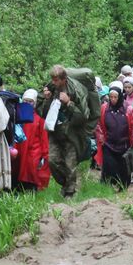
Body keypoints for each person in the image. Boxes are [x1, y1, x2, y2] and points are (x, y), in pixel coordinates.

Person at [37, 65, 98, 198]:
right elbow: (42, 112)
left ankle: (70, 192)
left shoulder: (77, 90)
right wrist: (46, 99)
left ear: (64, 79)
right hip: (55, 130)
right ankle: (65, 184)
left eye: (56, 80)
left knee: (70, 163)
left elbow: (83, 116)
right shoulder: (51, 88)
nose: (53, 82)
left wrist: (69, 102)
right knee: (52, 161)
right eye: (52, 79)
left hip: (72, 132)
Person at [95, 85, 133, 190]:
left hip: (124, 145)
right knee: (109, 167)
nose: (113, 99)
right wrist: (101, 137)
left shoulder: (128, 109)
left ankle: (122, 188)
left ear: (119, 97)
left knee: (123, 169)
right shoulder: (104, 108)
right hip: (109, 144)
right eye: (111, 97)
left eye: (115, 97)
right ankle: (107, 189)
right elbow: (99, 125)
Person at [14, 88, 50, 191]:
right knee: (18, 171)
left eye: (30, 101)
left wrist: (44, 155)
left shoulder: (39, 118)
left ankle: (32, 191)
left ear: (34, 103)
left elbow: (44, 139)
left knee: (31, 173)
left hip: (33, 151)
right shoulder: (17, 116)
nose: (27, 103)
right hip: (20, 150)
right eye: (25, 101)